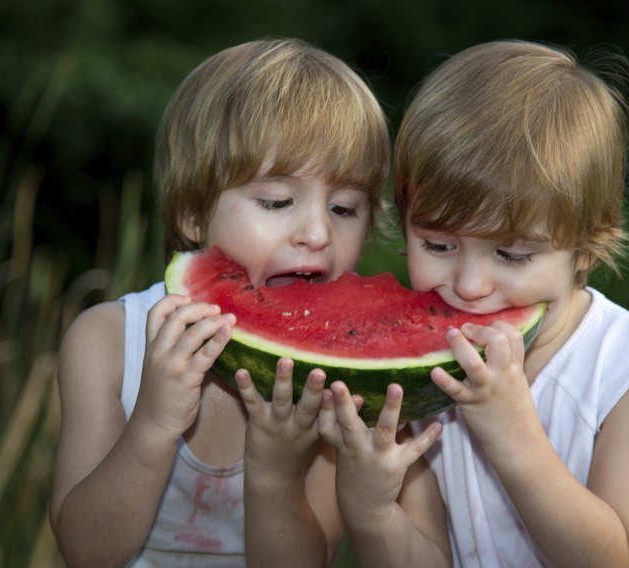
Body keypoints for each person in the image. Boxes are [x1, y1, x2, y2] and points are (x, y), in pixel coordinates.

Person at [318, 40, 629, 567]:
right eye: (438, 245)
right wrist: (371, 510)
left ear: (586, 249)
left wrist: (513, 436)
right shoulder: (417, 373)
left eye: (511, 253)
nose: (472, 284)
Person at [50, 38, 390, 567]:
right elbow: (84, 551)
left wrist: (276, 471)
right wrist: (155, 424)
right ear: (192, 214)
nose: (318, 232)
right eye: (277, 202)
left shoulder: (342, 381)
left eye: (345, 208)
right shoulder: (108, 344)